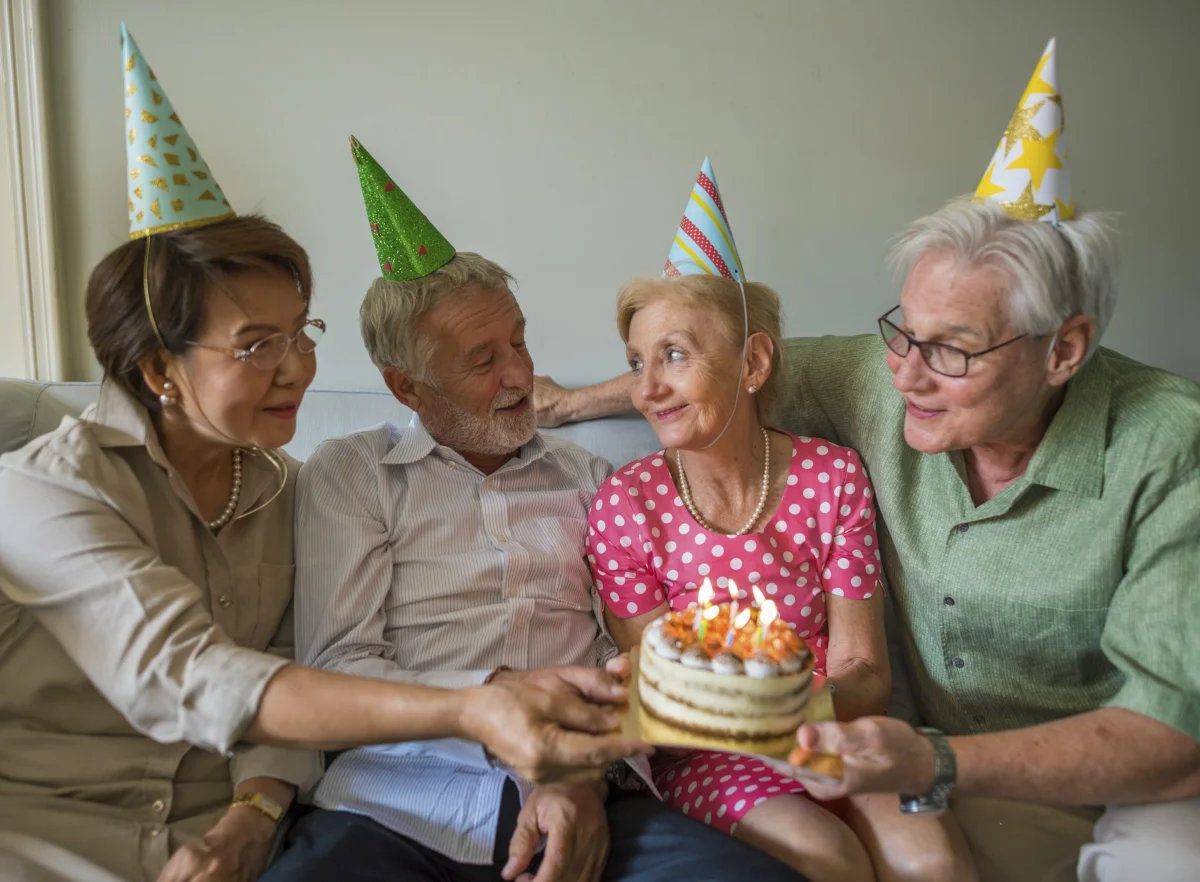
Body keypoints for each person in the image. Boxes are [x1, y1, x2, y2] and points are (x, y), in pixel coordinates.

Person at [536, 40, 1200, 882]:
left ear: (1063, 350)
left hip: (1126, 783)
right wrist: (569, 402)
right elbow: (699, 377)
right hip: (914, 765)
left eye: (952, 350)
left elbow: (1176, 739)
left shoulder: (1170, 447)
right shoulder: (887, 380)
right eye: (902, 332)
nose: (906, 375)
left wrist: (926, 763)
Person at [0, 31, 642, 882]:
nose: (298, 367)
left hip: (229, 832)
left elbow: (288, 671)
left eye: (301, 334)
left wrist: (255, 810)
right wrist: (481, 706)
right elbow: (195, 675)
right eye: (258, 345)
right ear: (161, 368)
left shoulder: (280, 489)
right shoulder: (40, 493)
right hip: (52, 835)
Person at [260, 139, 807, 882]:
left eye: (519, 339)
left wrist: (580, 769)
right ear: (407, 387)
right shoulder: (353, 475)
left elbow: (624, 657)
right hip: (394, 807)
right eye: (483, 361)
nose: (520, 373)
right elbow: (337, 668)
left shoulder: (591, 479)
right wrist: (501, 704)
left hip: (588, 793)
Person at [586, 159, 974, 882]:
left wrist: (799, 712)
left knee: (931, 860)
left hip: (839, 732)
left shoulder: (831, 477)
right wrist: (754, 714)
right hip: (710, 759)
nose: (647, 388)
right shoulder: (626, 505)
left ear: (753, 362)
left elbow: (863, 668)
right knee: (829, 858)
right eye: (637, 361)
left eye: (674, 356)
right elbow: (659, 698)